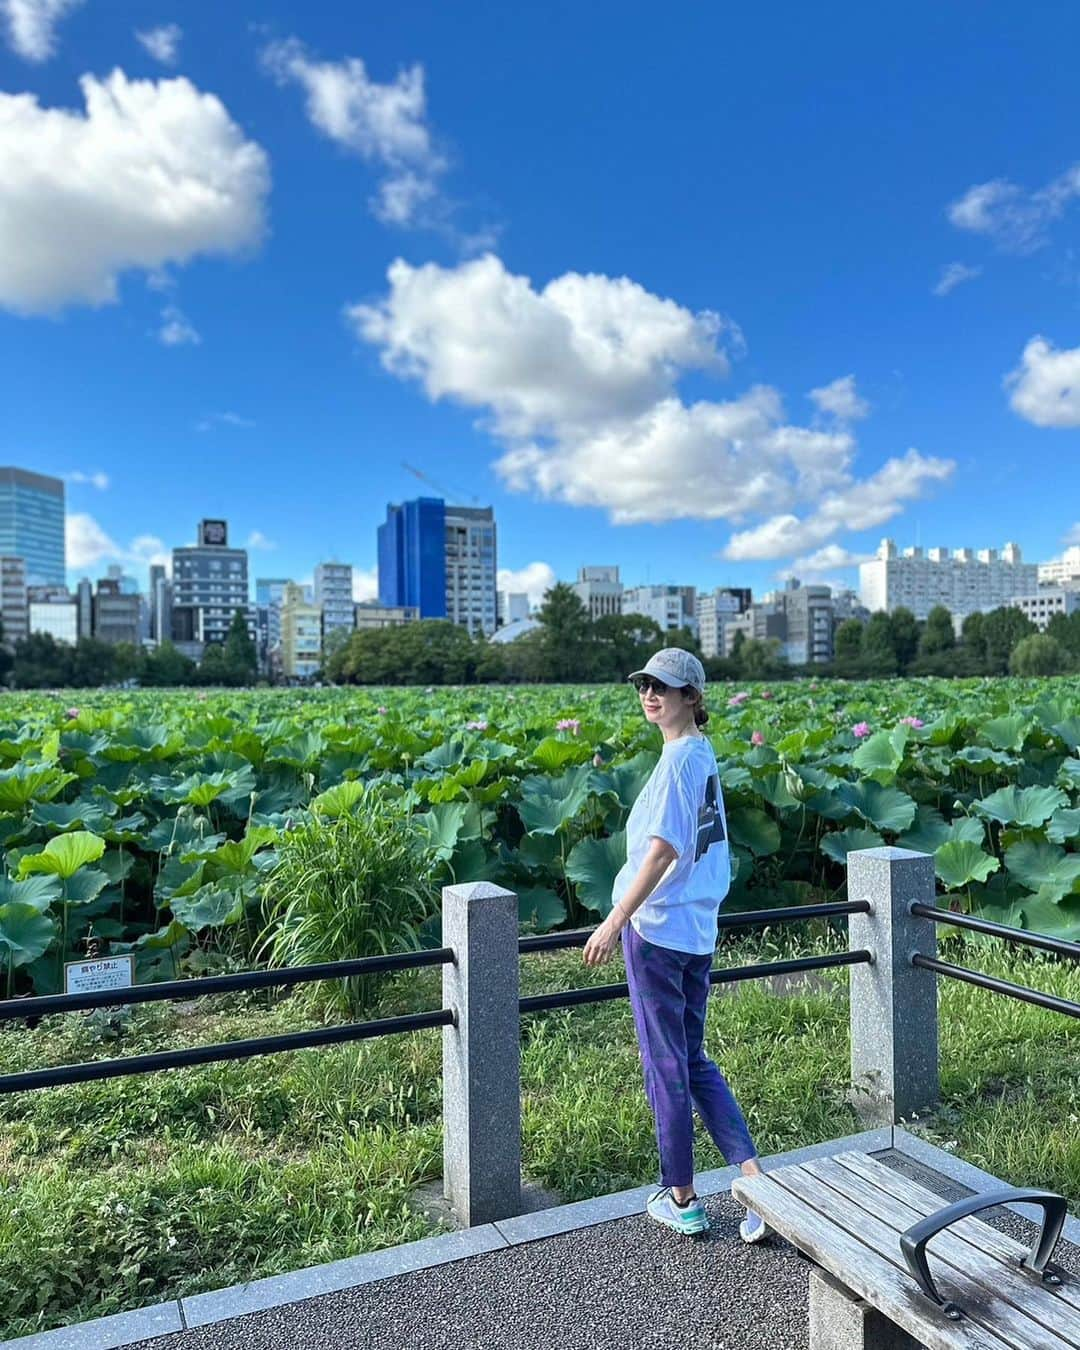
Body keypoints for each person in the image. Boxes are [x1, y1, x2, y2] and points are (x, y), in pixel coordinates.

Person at [582, 647, 767, 1242]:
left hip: (658, 933)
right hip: (696, 930)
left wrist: (615, 919)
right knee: (691, 1058)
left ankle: (682, 1197)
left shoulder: (677, 764)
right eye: (643, 686)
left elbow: (662, 850)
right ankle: (756, 1180)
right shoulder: (702, 755)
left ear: (693, 695)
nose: (649, 695)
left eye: (663, 686)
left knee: (666, 1065)